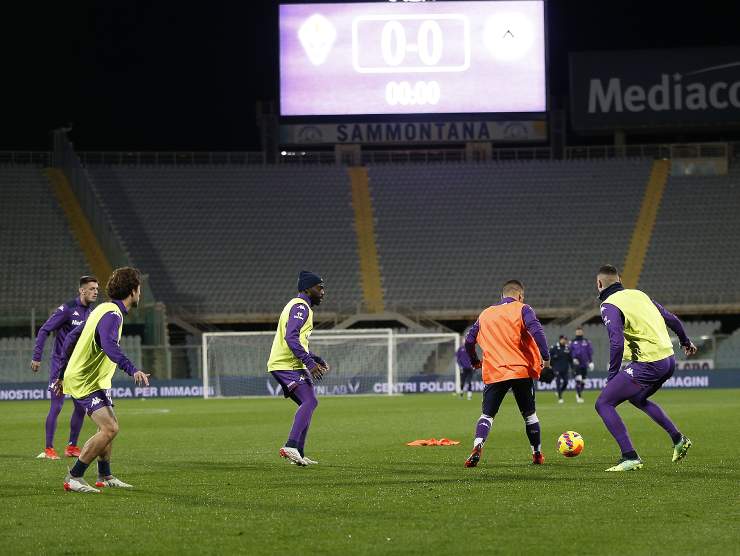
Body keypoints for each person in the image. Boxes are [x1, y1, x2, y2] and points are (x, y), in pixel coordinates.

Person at [53, 267, 151, 493]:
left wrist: (60, 374)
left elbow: (71, 338)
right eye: (139, 289)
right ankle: (74, 476)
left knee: (107, 426)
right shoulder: (112, 314)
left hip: (94, 379)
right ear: (133, 291)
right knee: (110, 428)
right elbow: (109, 346)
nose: (140, 293)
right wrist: (132, 369)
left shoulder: (101, 309)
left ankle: (104, 475)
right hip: (86, 380)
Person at [594, 265, 696, 472]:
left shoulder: (609, 305)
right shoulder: (640, 295)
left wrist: (612, 376)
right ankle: (678, 439)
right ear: (619, 280)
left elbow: (616, 342)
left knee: (604, 403)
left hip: (649, 363)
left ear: (599, 284)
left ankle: (630, 456)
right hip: (668, 360)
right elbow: (672, 319)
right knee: (637, 398)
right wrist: (685, 341)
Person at [462, 280, 551, 467]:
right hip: (520, 370)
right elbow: (537, 331)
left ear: (502, 295)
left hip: (495, 371)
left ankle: (478, 445)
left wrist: (474, 361)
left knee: (487, 415)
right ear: (520, 295)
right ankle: (537, 453)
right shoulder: (523, 308)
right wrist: (546, 358)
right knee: (529, 415)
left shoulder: (485, 314)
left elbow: (469, 341)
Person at [32, 275, 99, 460]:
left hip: (79, 369)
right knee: (57, 406)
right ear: (82, 290)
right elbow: (45, 329)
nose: (95, 292)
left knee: (80, 407)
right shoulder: (67, 309)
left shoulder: (92, 313)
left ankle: (72, 446)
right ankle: (49, 449)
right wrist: (37, 356)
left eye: (97, 289)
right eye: (92, 289)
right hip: (60, 366)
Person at [267, 271, 329, 467]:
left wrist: (315, 358)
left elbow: (300, 341)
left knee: (309, 403)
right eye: (319, 288)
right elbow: (291, 338)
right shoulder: (300, 306)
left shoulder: (302, 307)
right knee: (309, 402)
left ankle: (298, 452)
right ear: (307, 288)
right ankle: (290, 445)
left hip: (293, 363)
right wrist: (310, 364)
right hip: (287, 364)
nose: (323, 292)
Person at [570, 326, 594, 403]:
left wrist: (591, 362)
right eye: (577, 331)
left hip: (584, 364)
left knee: (583, 381)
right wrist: (573, 359)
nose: (579, 332)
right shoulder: (572, 342)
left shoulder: (586, 341)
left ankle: (579, 393)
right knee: (578, 379)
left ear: (582, 332)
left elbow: (589, 352)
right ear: (575, 332)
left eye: (580, 331)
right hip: (576, 364)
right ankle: (579, 396)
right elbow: (569, 353)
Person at [550, 335, 572, 404]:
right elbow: (549, 357)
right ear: (560, 340)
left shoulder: (567, 349)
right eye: (563, 339)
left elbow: (570, 359)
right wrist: (551, 366)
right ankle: (560, 398)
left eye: (565, 339)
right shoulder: (554, 348)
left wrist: (573, 367)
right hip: (557, 369)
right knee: (558, 382)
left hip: (565, 369)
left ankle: (560, 392)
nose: (564, 341)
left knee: (566, 382)